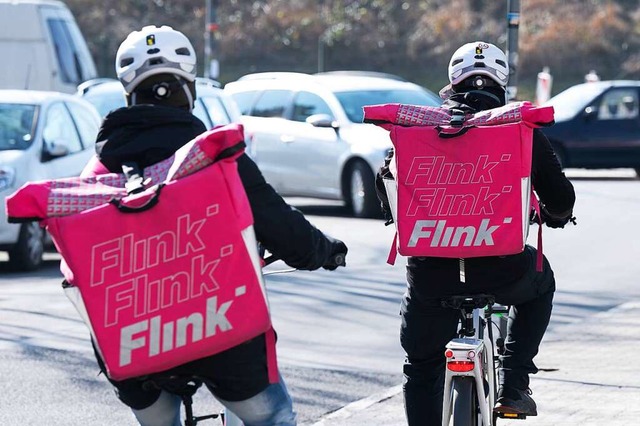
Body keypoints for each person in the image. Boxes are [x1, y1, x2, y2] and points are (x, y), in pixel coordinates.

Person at [82, 25, 348, 426]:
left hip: (134, 344)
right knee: (272, 416)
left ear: (127, 96)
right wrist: (324, 251)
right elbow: (280, 226)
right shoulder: (218, 159)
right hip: (222, 331)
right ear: (189, 93)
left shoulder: (99, 170)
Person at [375, 41, 576, 425]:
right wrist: (555, 215)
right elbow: (560, 198)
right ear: (502, 83)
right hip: (503, 269)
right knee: (541, 284)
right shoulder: (519, 130)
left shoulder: (421, 127)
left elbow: (385, 185)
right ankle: (514, 387)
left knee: (420, 368)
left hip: (431, 277)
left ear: (452, 81)